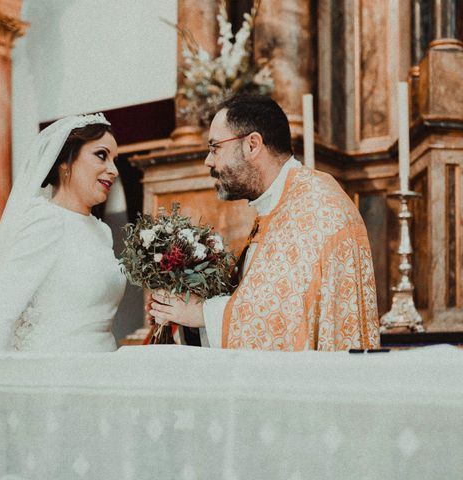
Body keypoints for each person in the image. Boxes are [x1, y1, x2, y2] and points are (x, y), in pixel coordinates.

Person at [149, 94, 380, 351]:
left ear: (252, 145)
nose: (209, 161)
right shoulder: (282, 203)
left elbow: (286, 316)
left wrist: (203, 314)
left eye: (215, 148)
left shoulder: (314, 205)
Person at [0, 113, 126, 354]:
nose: (113, 170)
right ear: (66, 160)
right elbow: (0, 311)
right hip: (52, 370)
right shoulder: (46, 220)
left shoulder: (102, 232)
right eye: (101, 155)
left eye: (114, 160)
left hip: (101, 365)